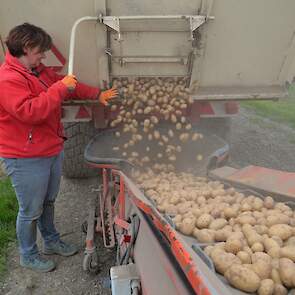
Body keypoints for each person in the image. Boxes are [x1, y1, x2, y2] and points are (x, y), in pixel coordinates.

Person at [0, 23, 118, 272]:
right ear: (27, 48)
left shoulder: (37, 70)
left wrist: (97, 94)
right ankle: (28, 254)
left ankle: (51, 242)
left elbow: (67, 85)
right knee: (31, 210)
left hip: (50, 149)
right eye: (40, 51)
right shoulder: (8, 80)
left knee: (49, 201)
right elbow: (31, 112)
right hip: (25, 157)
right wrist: (60, 88)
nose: (43, 56)